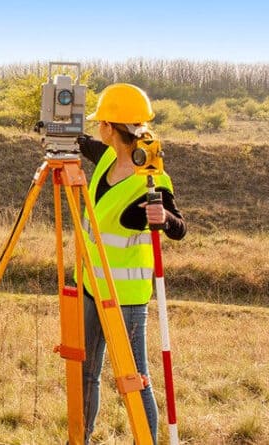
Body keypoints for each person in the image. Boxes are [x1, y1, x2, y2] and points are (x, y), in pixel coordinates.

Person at [78, 83, 186, 444]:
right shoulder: (108, 155)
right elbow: (83, 144)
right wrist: (55, 127)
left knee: (134, 380)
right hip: (93, 286)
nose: (96, 129)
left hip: (126, 298)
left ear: (110, 127)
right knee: (86, 371)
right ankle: (81, 437)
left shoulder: (151, 178)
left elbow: (179, 228)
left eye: (99, 122)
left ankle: (147, 441)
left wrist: (164, 219)